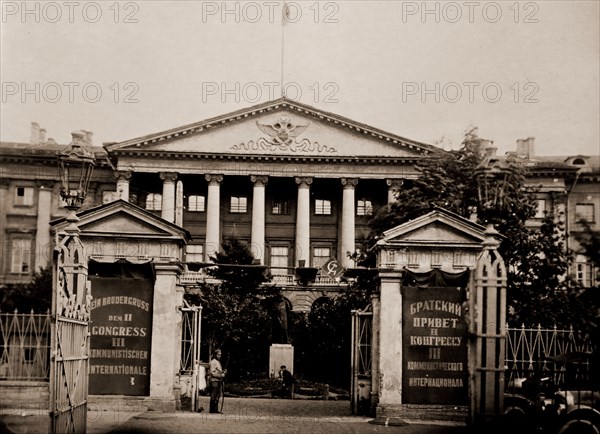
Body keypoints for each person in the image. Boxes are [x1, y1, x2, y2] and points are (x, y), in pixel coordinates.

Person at [208, 349, 226, 413]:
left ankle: (215, 409)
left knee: (217, 395)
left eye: (220, 355)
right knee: (214, 395)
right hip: (214, 381)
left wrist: (223, 372)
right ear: (215, 354)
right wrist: (221, 375)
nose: (219, 356)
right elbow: (212, 373)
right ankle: (212, 410)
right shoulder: (213, 362)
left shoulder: (218, 362)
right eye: (218, 354)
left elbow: (218, 371)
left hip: (218, 381)